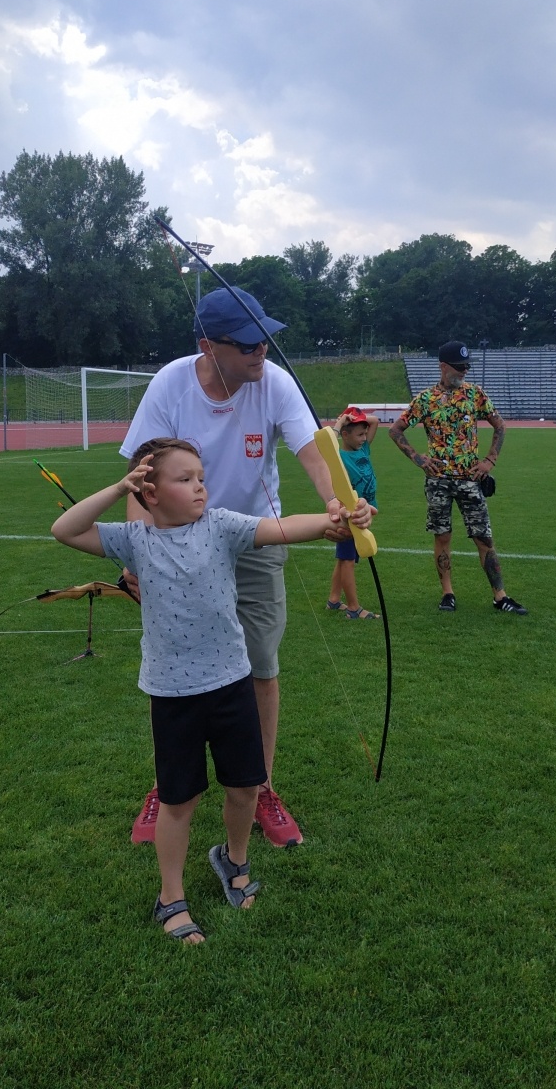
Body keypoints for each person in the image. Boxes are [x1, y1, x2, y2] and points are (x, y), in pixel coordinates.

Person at [51, 438, 366, 943]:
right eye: (185, 479)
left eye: (200, 476)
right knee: (180, 799)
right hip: (173, 693)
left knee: (245, 786)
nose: (200, 486)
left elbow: (280, 528)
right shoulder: (133, 539)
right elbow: (65, 530)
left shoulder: (220, 525)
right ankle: (170, 897)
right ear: (149, 493)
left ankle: (233, 861)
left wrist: (335, 522)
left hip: (231, 685)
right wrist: (118, 487)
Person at [119, 287, 372, 848]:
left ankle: (260, 788)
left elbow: (315, 456)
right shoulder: (170, 384)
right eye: (251, 343)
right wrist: (141, 549)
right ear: (209, 346)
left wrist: (338, 504)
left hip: (256, 540)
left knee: (259, 664)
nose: (264, 352)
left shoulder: (274, 383)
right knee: (175, 666)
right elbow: (141, 473)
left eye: (267, 340)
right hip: (180, 547)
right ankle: (167, 785)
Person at [388, 339, 527, 615]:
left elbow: (500, 426)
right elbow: (395, 431)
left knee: (484, 538)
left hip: (469, 479)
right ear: (443, 366)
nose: (464, 371)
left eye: (466, 366)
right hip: (438, 482)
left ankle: (500, 596)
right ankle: (447, 593)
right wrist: (419, 459)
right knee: (442, 537)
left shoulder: (475, 394)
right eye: (459, 366)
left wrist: (489, 460)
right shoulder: (425, 399)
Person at [326, 406, 381, 620]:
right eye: (359, 434)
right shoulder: (339, 457)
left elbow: (374, 421)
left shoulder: (363, 449)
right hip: (349, 514)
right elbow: (329, 440)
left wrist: (357, 418)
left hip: (364, 512)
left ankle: (333, 600)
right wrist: (341, 422)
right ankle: (353, 608)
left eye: (365, 434)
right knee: (348, 560)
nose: (364, 438)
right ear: (345, 434)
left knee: (344, 558)